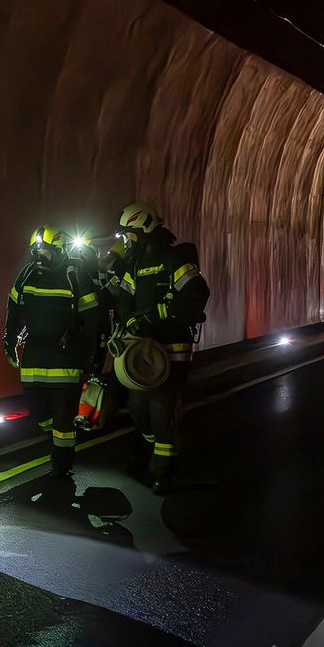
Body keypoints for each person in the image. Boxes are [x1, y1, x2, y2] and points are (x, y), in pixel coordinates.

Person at [107, 202, 210, 494]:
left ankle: (162, 471)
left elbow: (197, 292)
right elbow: (123, 299)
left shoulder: (174, 258)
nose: (126, 241)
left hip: (173, 347)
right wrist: (130, 320)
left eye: (129, 235)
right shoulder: (135, 265)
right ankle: (157, 455)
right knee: (138, 406)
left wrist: (158, 315)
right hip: (145, 349)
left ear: (144, 229)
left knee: (161, 405)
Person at [3, 226, 101, 479]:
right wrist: (10, 341)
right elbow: (14, 310)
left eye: (44, 251)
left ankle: (62, 465)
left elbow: (93, 321)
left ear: (59, 251)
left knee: (62, 415)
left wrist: (92, 357)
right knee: (38, 412)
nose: (39, 256)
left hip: (65, 357)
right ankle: (59, 440)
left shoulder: (76, 276)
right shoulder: (27, 275)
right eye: (35, 251)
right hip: (35, 355)